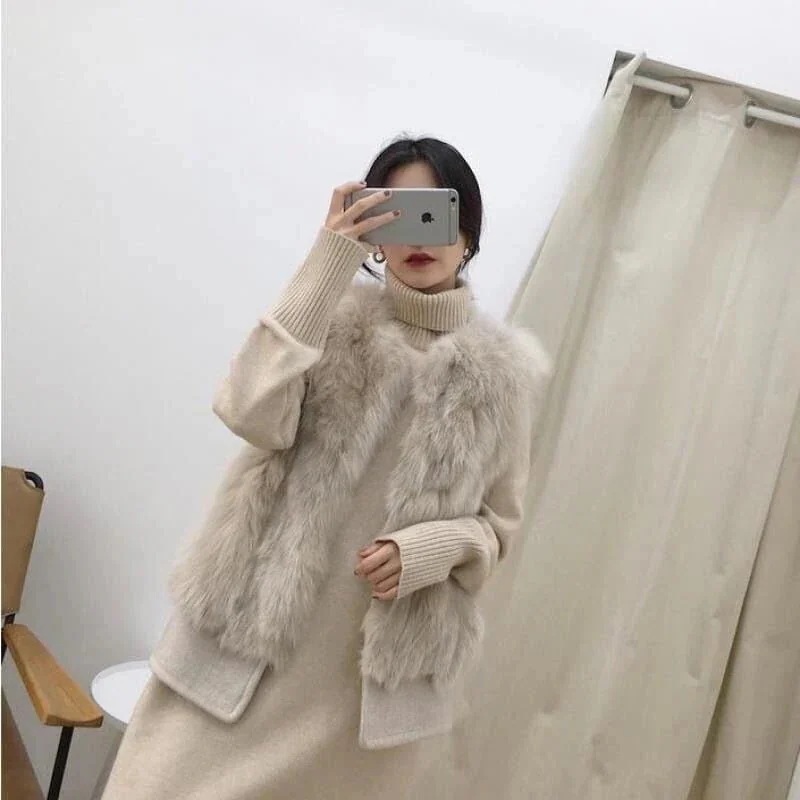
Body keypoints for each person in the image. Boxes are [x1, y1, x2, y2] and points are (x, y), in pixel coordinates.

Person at [102, 136, 550, 799]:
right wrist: (327, 261)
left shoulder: (503, 376)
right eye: (397, 212)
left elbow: (497, 530)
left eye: (438, 212)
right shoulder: (326, 325)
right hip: (244, 648)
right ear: (372, 233)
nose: (417, 235)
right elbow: (248, 410)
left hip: (364, 693)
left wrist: (430, 548)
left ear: (468, 234)